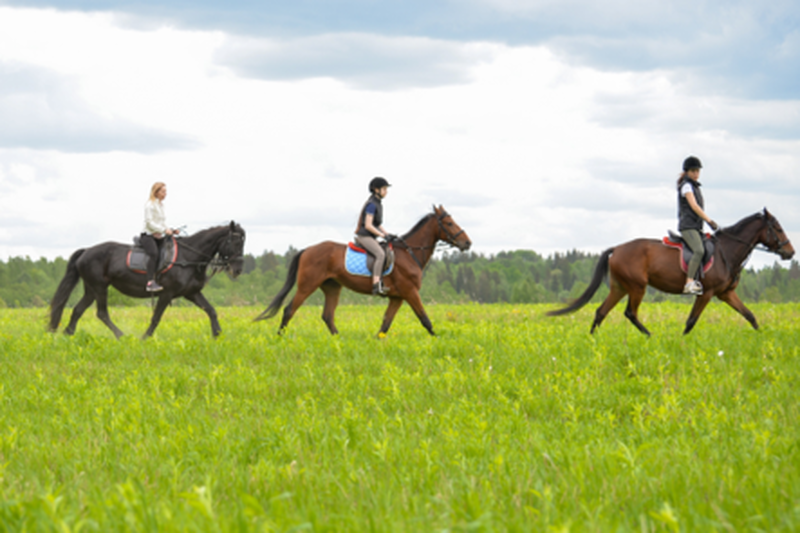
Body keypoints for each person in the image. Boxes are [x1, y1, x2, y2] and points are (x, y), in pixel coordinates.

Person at [677, 156, 718, 295]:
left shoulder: (695, 186)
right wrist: (709, 221)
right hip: (688, 227)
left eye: (698, 171)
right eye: (693, 171)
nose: (696, 174)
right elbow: (694, 206)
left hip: (696, 227)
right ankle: (689, 282)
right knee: (699, 250)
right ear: (687, 172)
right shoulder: (686, 186)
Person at [355, 177, 392, 295]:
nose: (386, 191)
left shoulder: (378, 204)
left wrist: (387, 234)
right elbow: (368, 225)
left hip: (371, 236)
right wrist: (382, 235)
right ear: (376, 190)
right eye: (384, 189)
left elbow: (378, 224)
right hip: (364, 236)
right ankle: (376, 285)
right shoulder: (371, 205)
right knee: (380, 254)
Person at [141, 182, 179, 292]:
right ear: (156, 192)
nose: (165, 194)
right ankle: (149, 282)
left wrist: (170, 230)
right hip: (148, 236)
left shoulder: (161, 205)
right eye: (163, 191)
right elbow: (149, 223)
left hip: (158, 236)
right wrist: (164, 230)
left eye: (165, 191)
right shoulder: (150, 205)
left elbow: (161, 223)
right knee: (154, 253)